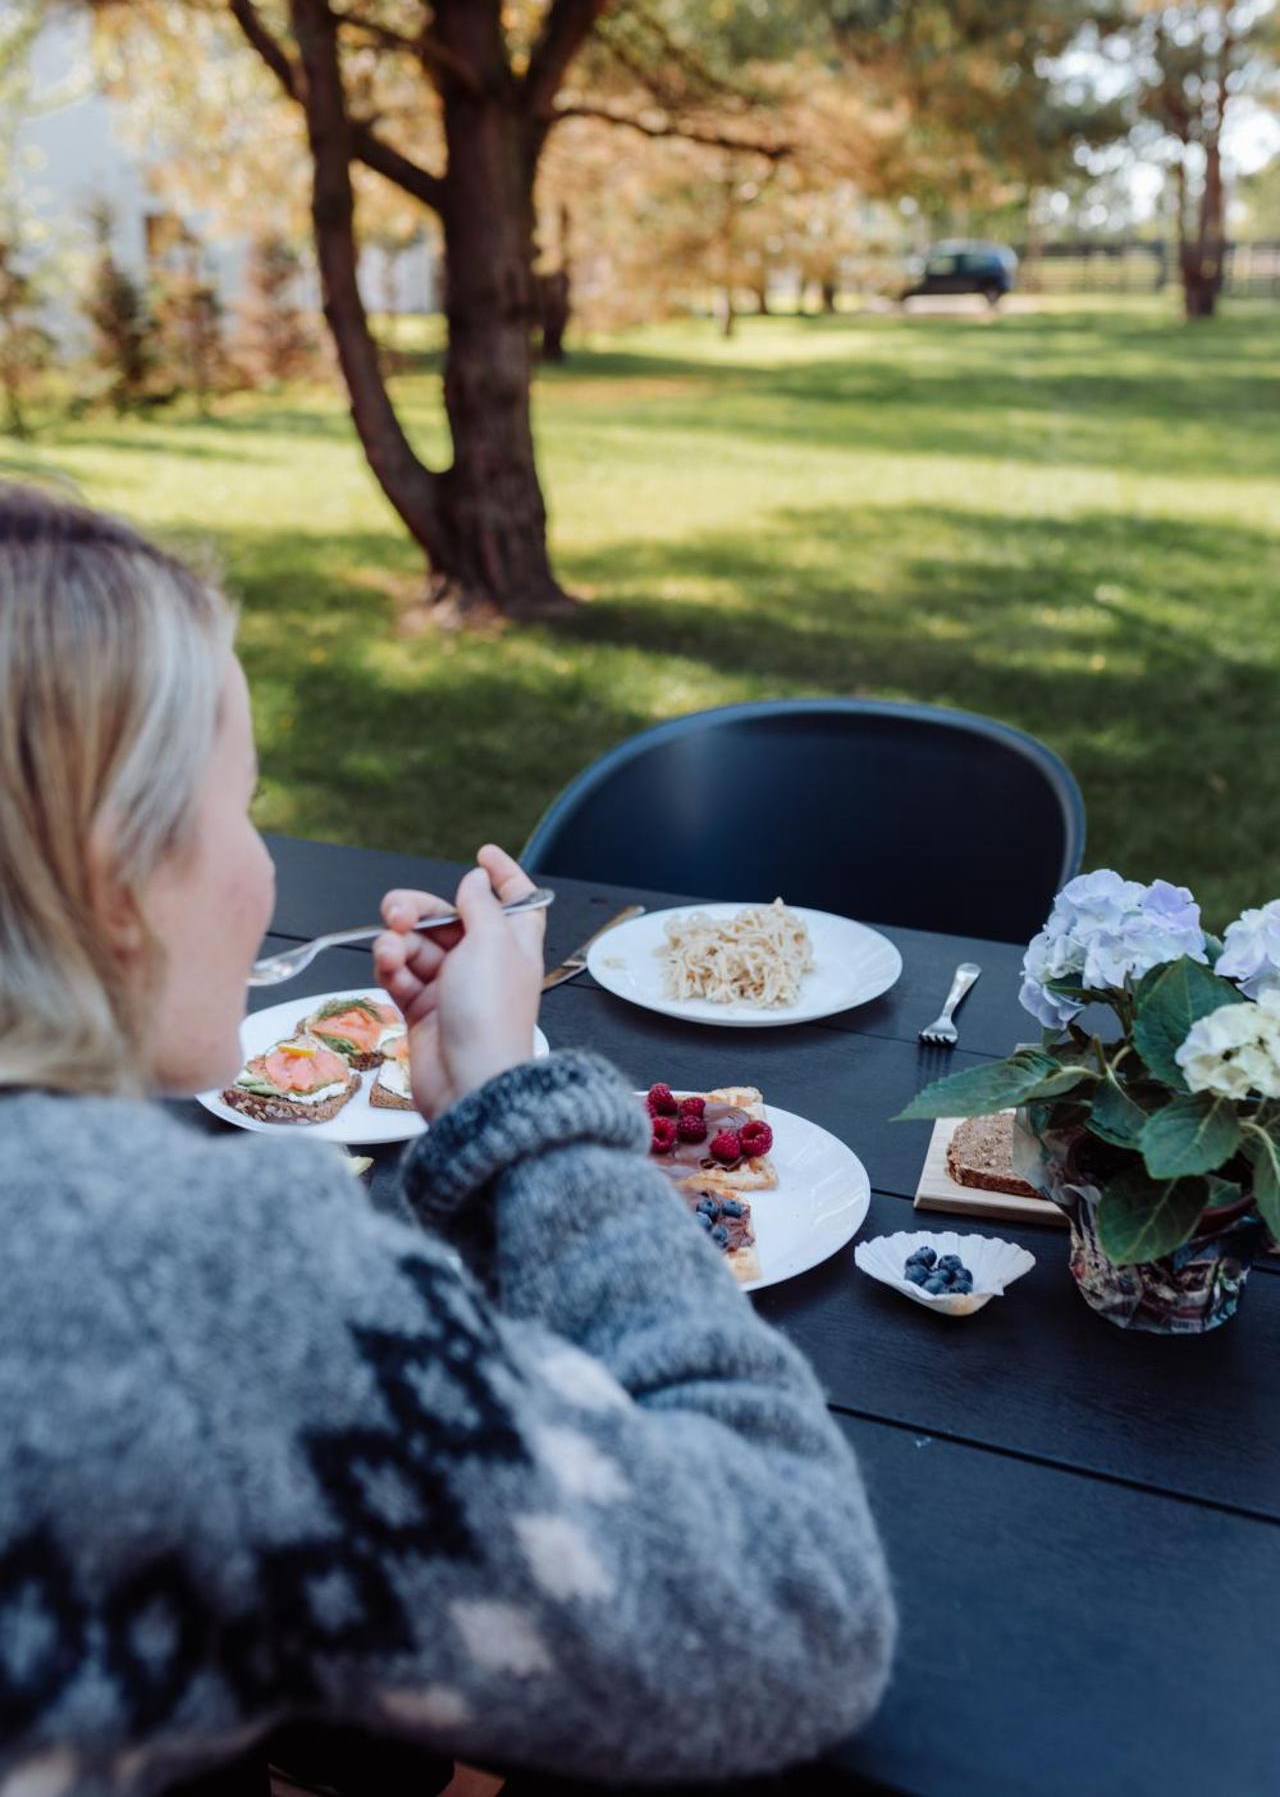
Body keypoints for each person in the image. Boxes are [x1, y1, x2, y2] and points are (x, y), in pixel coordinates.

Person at [0, 485, 895, 1796]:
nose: (260, 866)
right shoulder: (173, 1281)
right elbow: (794, 1604)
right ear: (108, 875)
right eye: (243, 808)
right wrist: (515, 1113)